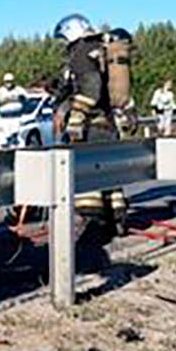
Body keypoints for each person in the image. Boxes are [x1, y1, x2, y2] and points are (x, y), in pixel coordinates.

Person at [52, 13, 129, 225]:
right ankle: (118, 219)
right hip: (108, 124)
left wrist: (76, 119)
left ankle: (91, 225)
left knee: (87, 178)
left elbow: (91, 87)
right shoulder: (100, 50)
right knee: (110, 176)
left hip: (92, 126)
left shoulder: (81, 52)